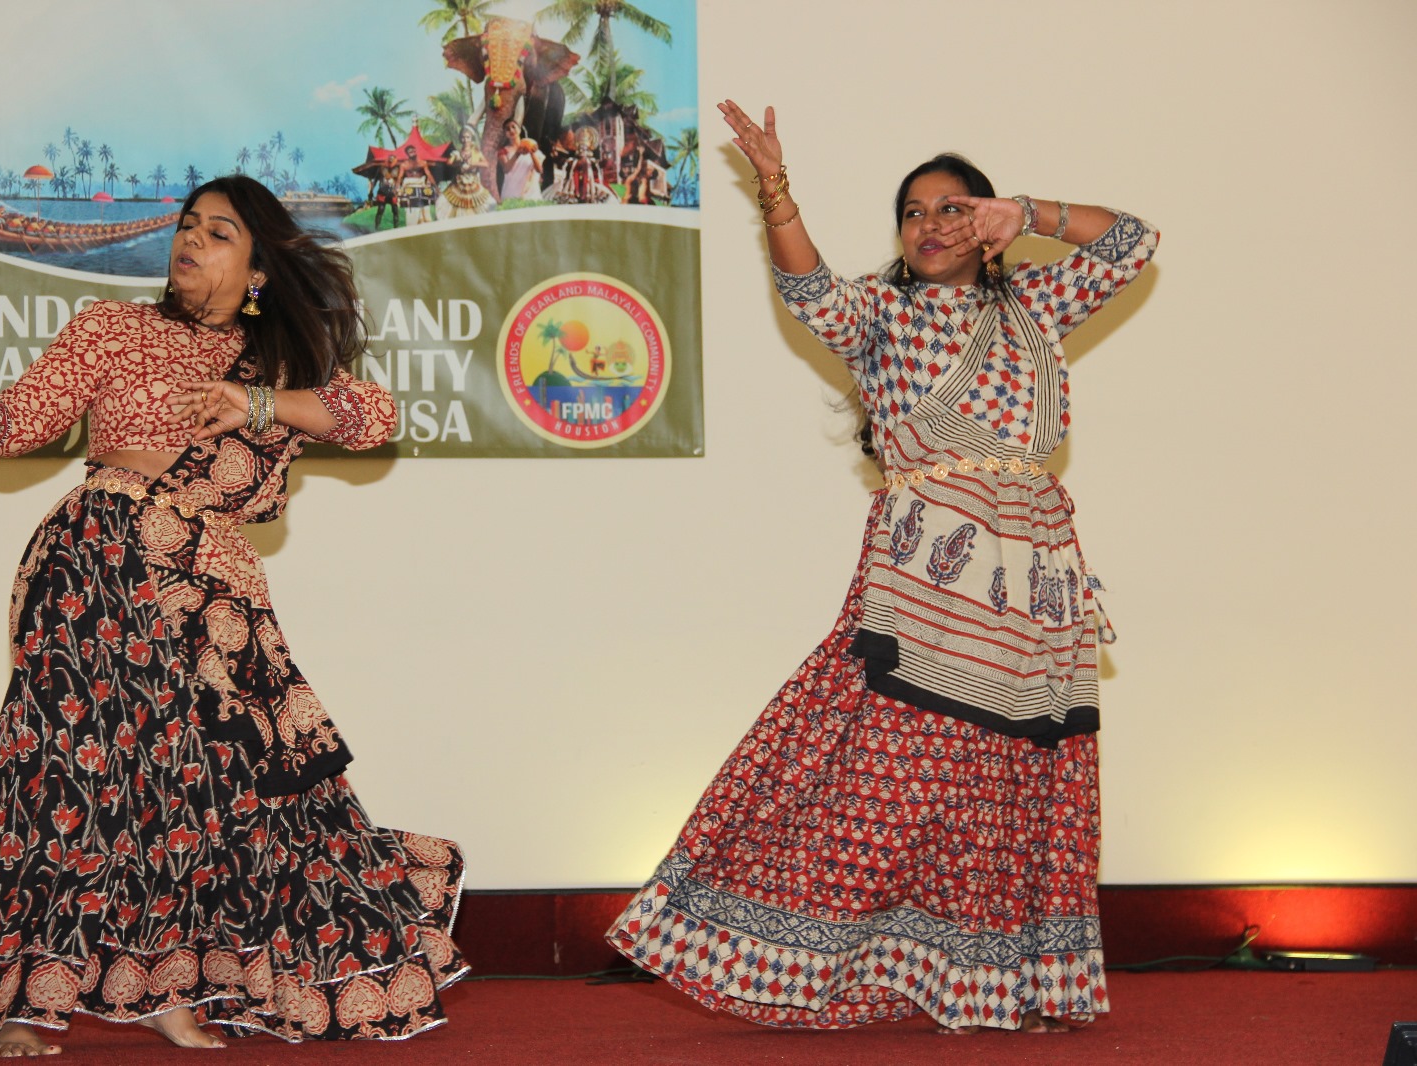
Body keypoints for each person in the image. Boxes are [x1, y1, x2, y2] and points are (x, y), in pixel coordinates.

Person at [0, 174, 467, 1056]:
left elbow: (372, 417)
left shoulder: (281, 365)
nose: (191, 241)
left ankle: (170, 988)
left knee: (211, 788)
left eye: (219, 233)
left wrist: (253, 403)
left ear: (259, 270)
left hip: (213, 597)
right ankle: (16, 1004)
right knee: (65, 781)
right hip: (97, 570)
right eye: (188, 225)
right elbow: (12, 424)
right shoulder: (114, 329)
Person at [606, 101, 1158, 1035]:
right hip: (927, 571)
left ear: (984, 224)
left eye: (952, 209)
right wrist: (775, 188)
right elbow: (806, 287)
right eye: (913, 212)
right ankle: (778, 947)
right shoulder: (881, 312)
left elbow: (1133, 241)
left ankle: (993, 983)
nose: (929, 225)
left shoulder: (1035, 303)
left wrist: (1029, 212)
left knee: (1009, 779)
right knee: (889, 769)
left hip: (1033, 574)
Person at [435, 126, 495, 220]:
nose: (465, 140)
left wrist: (472, 164)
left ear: (471, 139)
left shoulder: (476, 152)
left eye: (468, 137)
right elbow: (449, 162)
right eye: (463, 137)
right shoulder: (457, 153)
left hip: (473, 182)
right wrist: (458, 163)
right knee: (443, 201)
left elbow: (486, 164)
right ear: (460, 139)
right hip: (459, 183)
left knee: (483, 202)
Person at [496, 119, 543, 202]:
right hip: (511, 191)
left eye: (513, 127)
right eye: (507, 129)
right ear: (505, 134)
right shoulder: (503, 151)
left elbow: (539, 170)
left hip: (531, 192)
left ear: (519, 130)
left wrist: (531, 153)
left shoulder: (531, 144)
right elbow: (506, 169)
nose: (511, 130)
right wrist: (517, 153)